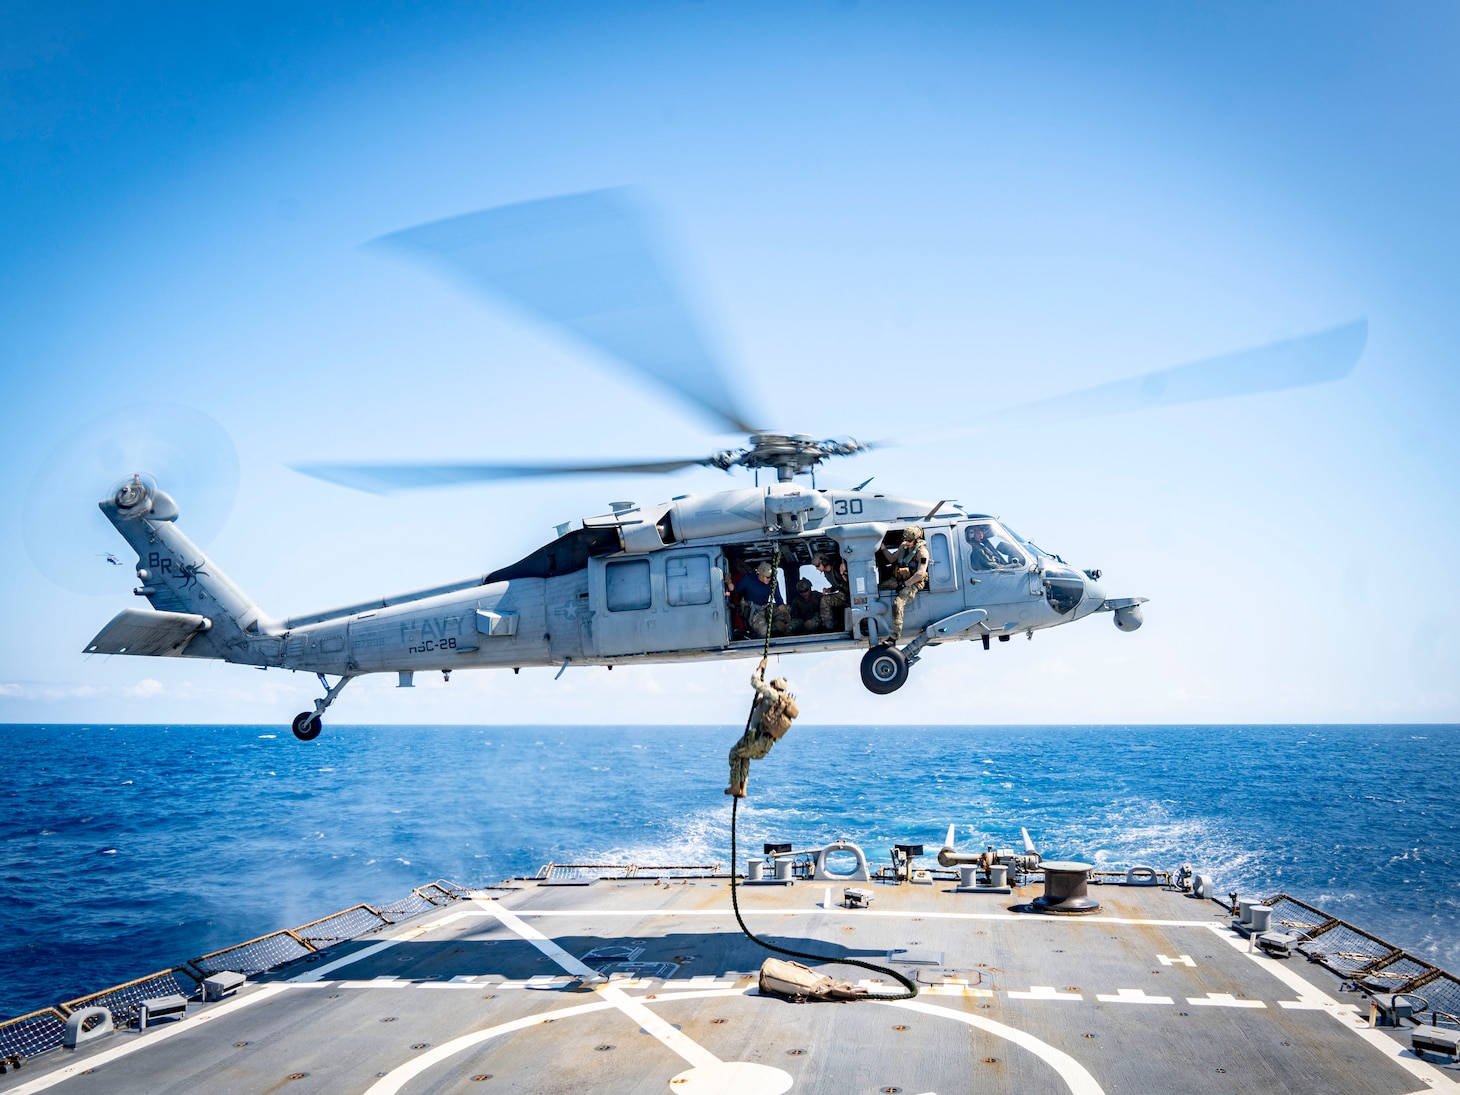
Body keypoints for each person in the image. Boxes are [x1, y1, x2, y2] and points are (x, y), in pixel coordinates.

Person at [726, 658, 799, 797]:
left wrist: (760, 668)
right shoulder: (781, 703)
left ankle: (735, 786)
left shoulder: (771, 694)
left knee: (734, 754)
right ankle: (743, 789)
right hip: (765, 746)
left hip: (755, 739)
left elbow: (755, 682)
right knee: (744, 756)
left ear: (774, 685)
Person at [877, 525, 929, 645]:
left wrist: (905, 584)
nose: (907, 542)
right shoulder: (904, 546)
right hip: (900, 579)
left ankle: (894, 637)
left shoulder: (922, 552)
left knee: (898, 603)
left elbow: (920, 574)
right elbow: (892, 559)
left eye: (909, 541)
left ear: (916, 539)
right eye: (905, 540)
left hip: (914, 582)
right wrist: (883, 549)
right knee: (881, 589)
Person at [730, 561, 790, 637]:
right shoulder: (748, 580)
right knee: (763, 631)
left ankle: (777, 627)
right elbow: (734, 590)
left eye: (771, 577)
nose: (769, 579)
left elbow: (778, 598)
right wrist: (729, 582)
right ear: (760, 575)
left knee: (788, 609)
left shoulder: (772, 582)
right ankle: (760, 633)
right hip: (754, 611)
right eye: (767, 577)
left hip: (765, 608)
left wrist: (784, 611)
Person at [815, 553, 850, 631]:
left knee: (825, 600)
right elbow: (838, 585)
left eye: (817, 566)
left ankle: (828, 628)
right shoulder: (827, 573)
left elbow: (849, 582)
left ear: (824, 562)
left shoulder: (838, 568)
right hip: (844, 594)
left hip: (850, 595)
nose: (816, 568)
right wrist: (829, 590)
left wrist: (845, 574)